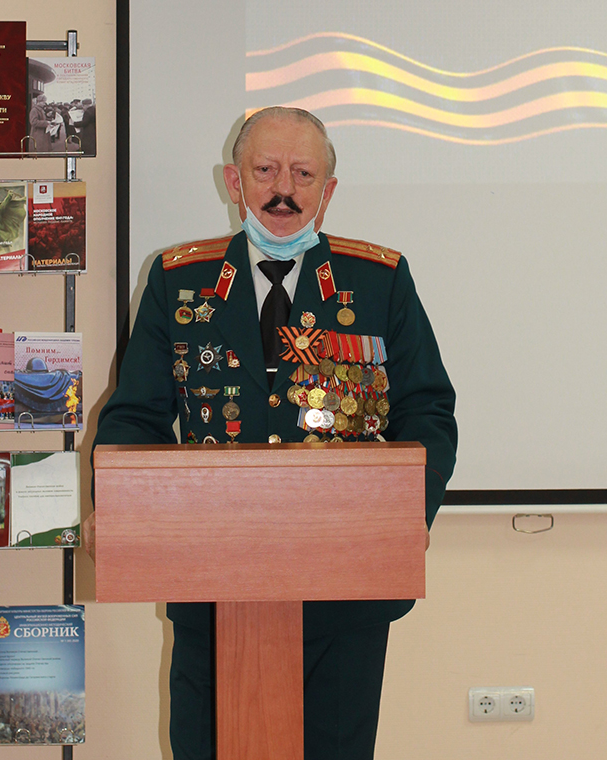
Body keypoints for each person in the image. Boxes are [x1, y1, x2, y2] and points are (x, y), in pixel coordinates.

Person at [89, 106, 456, 760]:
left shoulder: (378, 282)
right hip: (210, 585)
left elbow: (427, 411)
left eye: (302, 174)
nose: (283, 190)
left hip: (347, 593)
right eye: (265, 171)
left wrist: (408, 516)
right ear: (235, 181)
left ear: (327, 191)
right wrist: (112, 508)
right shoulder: (180, 281)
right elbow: (135, 417)